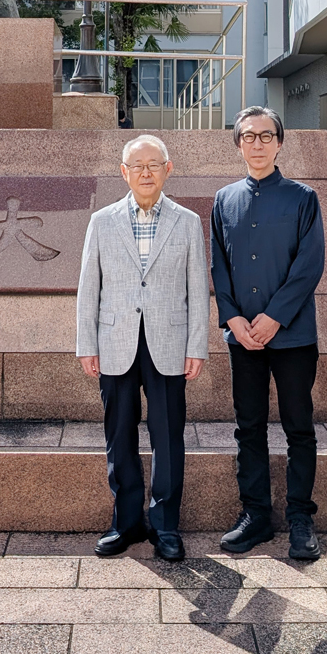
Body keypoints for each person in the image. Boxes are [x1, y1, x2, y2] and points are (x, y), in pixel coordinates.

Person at [76, 134, 209, 561]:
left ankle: (166, 526)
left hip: (169, 342)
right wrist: (87, 343)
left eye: (154, 164)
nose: (146, 172)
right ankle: (126, 522)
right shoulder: (103, 220)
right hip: (115, 342)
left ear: (168, 169)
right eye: (138, 165)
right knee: (119, 435)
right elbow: (88, 289)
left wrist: (197, 346)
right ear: (124, 172)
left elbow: (196, 289)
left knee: (168, 436)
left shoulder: (187, 221)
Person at [211, 106, 325, 560]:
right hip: (243, 337)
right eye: (248, 136)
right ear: (238, 144)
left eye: (265, 136)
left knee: (299, 427)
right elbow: (219, 264)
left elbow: (309, 264)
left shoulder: (303, 197)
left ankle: (300, 517)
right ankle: (255, 514)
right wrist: (233, 318)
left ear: (279, 143)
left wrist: (275, 316)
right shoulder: (224, 199)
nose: (256, 144)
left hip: (293, 335)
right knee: (249, 427)